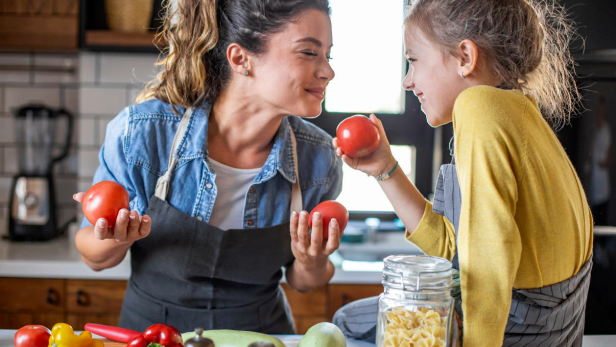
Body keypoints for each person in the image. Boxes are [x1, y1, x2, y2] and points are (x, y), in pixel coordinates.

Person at [72, 0, 342, 334]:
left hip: (259, 339)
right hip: (153, 338)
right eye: (308, 53)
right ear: (241, 59)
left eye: (329, 55)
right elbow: (95, 257)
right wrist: (116, 238)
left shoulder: (318, 159)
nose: (328, 71)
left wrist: (312, 260)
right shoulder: (144, 134)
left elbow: (304, 282)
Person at [332, 0, 592, 346]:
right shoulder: (517, 110)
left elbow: (489, 255)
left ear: (465, 57)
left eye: (413, 61)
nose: (408, 82)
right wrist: (386, 169)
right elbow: (453, 249)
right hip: (549, 328)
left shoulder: (478, 107)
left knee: (346, 321)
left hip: (511, 325)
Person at [589, 97, 611, 225]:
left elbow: (607, 161)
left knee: (601, 215)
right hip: (594, 183)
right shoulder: (596, 131)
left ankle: (601, 244)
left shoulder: (606, 132)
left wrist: (599, 161)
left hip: (602, 184)